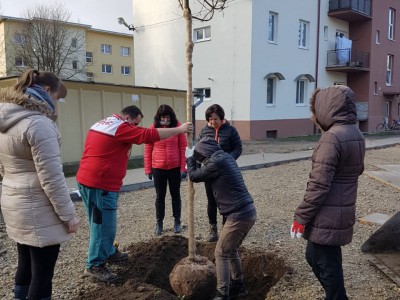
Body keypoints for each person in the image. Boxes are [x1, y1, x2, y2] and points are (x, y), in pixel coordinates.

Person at [76, 105, 193, 282]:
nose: (135, 127)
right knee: (103, 226)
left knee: (100, 223)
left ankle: (108, 252)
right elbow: (148, 136)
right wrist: (180, 129)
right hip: (100, 185)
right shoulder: (120, 126)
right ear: (128, 118)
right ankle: (94, 265)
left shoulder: (103, 123)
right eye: (135, 123)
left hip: (90, 180)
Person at [0, 69, 79, 300]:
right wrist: (68, 215)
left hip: (14, 203)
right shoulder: (39, 124)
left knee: (25, 264)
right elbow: (52, 177)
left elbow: (3, 168)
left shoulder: (7, 120)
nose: (57, 104)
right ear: (46, 91)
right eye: (57, 97)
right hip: (38, 207)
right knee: (42, 274)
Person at [290, 86, 365, 300]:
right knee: (318, 256)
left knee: (325, 262)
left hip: (327, 212)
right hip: (342, 208)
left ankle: (337, 297)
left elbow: (318, 184)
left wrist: (300, 218)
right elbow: (357, 170)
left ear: (325, 108)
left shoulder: (332, 137)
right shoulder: (355, 133)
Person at [187, 137, 256, 300]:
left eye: (201, 157)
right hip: (246, 211)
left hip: (238, 214)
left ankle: (222, 293)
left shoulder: (216, 163)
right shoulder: (225, 158)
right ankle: (238, 286)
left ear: (205, 152)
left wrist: (189, 158)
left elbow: (194, 176)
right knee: (231, 250)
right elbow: (201, 172)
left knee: (221, 252)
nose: (202, 161)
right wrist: (194, 159)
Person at [199, 104, 242, 242]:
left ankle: (226, 228)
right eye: (210, 119)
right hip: (210, 171)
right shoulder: (204, 131)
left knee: (225, 200)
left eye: (215, 119)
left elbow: (238, 148)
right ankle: (213, 229)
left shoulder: (230, 131)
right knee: (211, 200)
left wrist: (228, 158)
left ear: (221, 118)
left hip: (225, 172)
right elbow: (199, 150)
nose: (212, 122)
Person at [144, 104, 188, 236]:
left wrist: (183, 168)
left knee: (176, 195)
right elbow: (148, 148)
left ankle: (177, 221)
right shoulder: (153, 128)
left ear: (171, 117)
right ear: (159, 117)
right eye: (163, 117)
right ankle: (159, 223)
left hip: (174, 168)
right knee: (160, 197)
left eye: (168, 117)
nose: (165, 120)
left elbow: (183, 147)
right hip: (158, 168)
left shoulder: (178, 127)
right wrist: (148, 169)